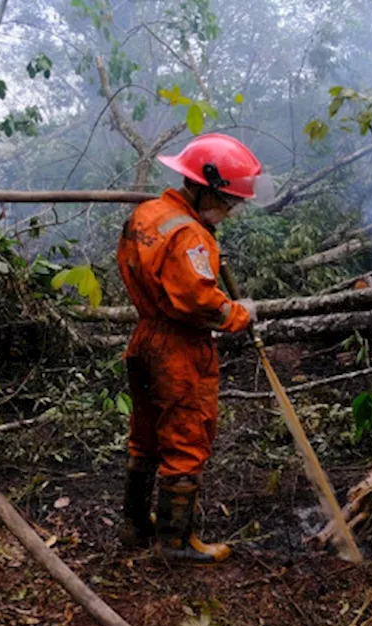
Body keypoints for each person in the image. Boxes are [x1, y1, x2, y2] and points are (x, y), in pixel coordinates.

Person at [116, 133, 272, 563]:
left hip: (145, 337)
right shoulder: (189, 235)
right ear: (206, 188)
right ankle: (175, 542)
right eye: (229, 202)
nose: (231, 210)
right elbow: (199, 303)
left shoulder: (148, 214)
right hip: (179, 349)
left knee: (145, 435)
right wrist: (241, 314)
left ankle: (134, 524)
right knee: (186, 435)